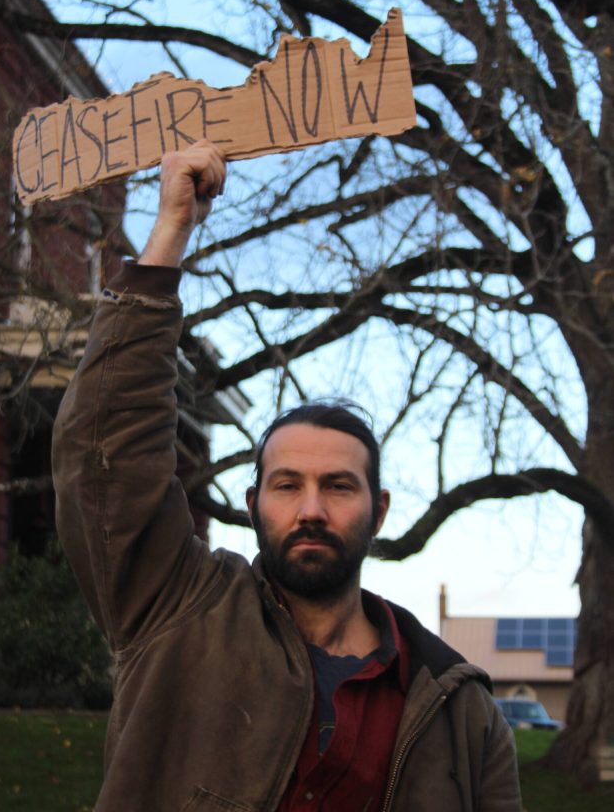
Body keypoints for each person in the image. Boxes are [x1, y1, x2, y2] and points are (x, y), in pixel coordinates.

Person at [53, 140, 521, 812]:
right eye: (287, 485)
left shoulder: (458, 708)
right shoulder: (178, 608)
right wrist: (171, 231)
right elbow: (103, 451)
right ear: (252, 504)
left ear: (380, 509)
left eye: (338, 486)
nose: (311, 509)